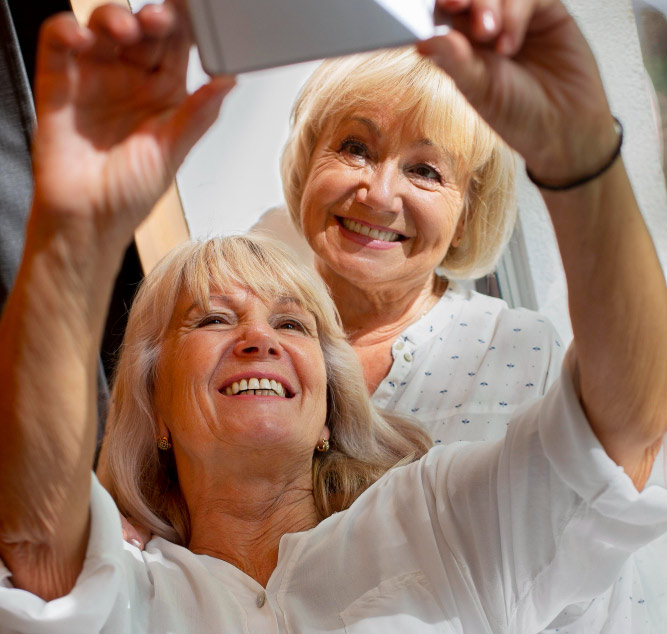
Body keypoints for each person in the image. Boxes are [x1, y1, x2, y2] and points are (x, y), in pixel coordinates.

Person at [1, 0, 666, 632]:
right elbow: (33, 540)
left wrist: (577, 156)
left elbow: (619, 437)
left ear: (330, 411)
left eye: (292, 326)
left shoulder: (437, 522)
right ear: (155, 412)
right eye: (211, 321)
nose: (258, 338)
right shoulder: (124, 588)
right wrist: (72, 235)